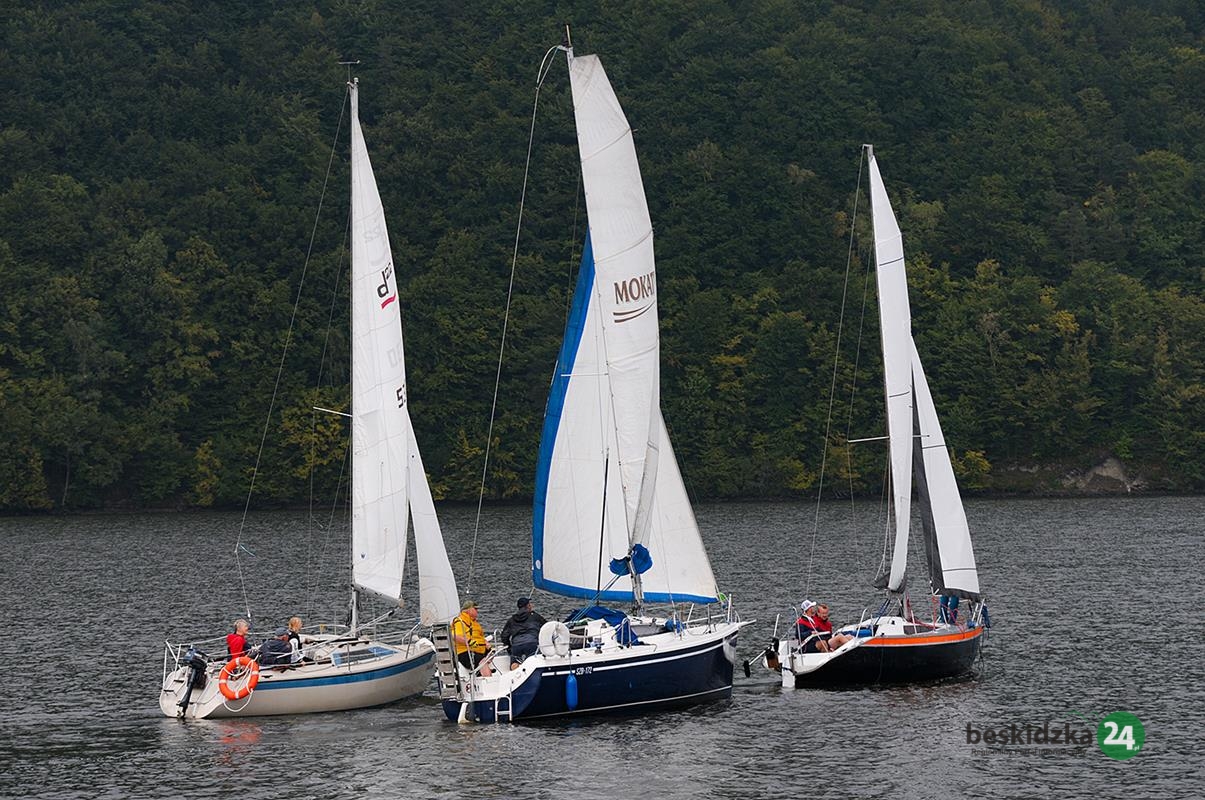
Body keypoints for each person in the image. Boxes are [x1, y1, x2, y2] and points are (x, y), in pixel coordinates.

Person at [500, 597, 547, 668]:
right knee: (533, 662)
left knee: (514, 663)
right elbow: (547, 627)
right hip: (532, 644)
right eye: (530, 604)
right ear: (528, 606)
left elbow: (504, 636)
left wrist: (509, 647)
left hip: (516, 645)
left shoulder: (511, 620)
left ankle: (515, 674)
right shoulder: (535, 616)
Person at [451, 601, 493, 677]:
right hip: (465, 652)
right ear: (469, 610)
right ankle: (488, 681)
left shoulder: (474, 623)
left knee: (491, 655)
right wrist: (470, 642)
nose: (477, 611)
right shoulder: (460, 621)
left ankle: (482, 674)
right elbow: (456, 636)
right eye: (475, 609)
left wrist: (487, 644)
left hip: (478, 650)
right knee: (482, 661)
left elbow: (480, 637)